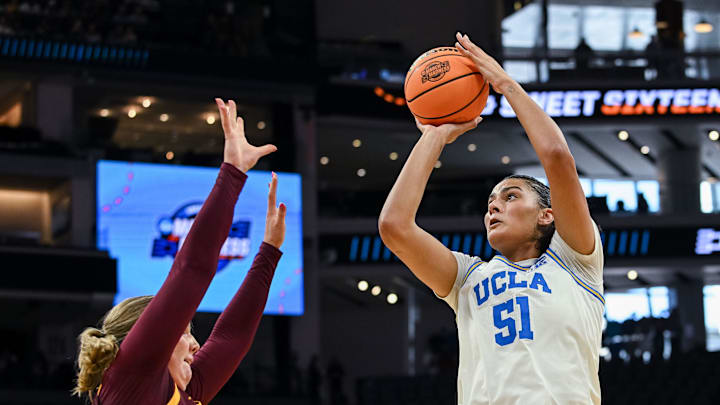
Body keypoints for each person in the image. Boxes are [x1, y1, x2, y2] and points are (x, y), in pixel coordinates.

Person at [379, 32, 605, 404]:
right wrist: (433, 137)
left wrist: (505, 84)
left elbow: (557, 157)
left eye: (510, 196)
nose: (493, 207)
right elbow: (394, 227)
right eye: (490, 202)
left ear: (547, 215)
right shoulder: (467, 279)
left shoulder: (575, 263)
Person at [73, 98, 287, 404]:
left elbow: (231, 338)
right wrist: (233, 173)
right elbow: (191, 271)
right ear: (148, 338)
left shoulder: (179, 392)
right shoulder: (130, 375)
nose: (195, 345)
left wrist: (269, 252)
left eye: (187, 332)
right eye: (184, 332)